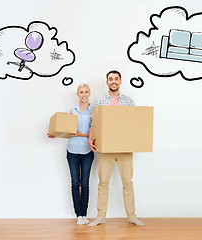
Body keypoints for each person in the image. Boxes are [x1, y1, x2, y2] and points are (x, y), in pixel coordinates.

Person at [88, 70, 144, 226]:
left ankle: (132, 216)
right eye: (110, 79)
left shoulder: (129, 101)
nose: (113, 81)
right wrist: (90, 138)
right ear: (107, 82)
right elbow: (94, 123)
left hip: (125, 147)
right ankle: (100, 217)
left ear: (120, 81)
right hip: (106, 148)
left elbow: (134, 123)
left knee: (128, 182)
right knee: (103, 182)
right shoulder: (99, 101)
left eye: (116, 79)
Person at [48, 83, 94, 225]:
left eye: (86, 92)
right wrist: (56, 134)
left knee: (85, 183)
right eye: (81, 92)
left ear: (89, 94)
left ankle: (84, 214)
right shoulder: (72, 110)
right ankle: (78, 215)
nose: (84, 94)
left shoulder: (94, 111)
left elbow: (95, 131)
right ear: (77, 94)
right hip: (72, 151)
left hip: (87, 151)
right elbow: (68, 130)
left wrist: (82, 134)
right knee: (75, 183)